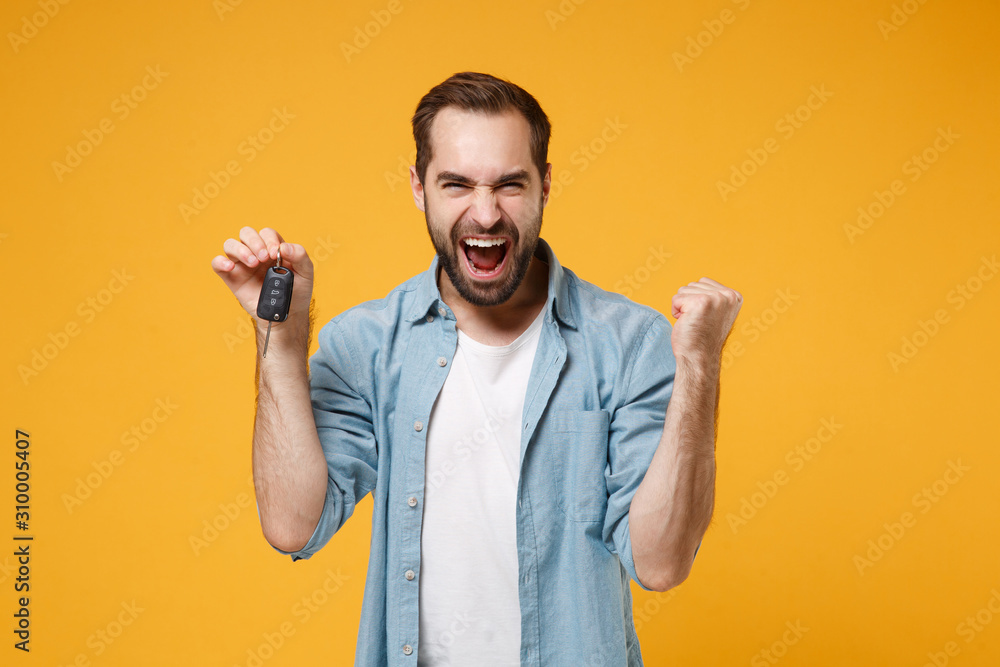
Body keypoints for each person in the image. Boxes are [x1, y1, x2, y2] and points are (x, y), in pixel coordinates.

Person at [212, 71, 742, 666]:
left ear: (545, 184)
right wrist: (279, 338)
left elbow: (662, 562)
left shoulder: (631, 343)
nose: (485, 214)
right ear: (419, 187)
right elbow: (292, 525)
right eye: (457, 183)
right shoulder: (367, 344)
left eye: (510, 184)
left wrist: (699, 366)